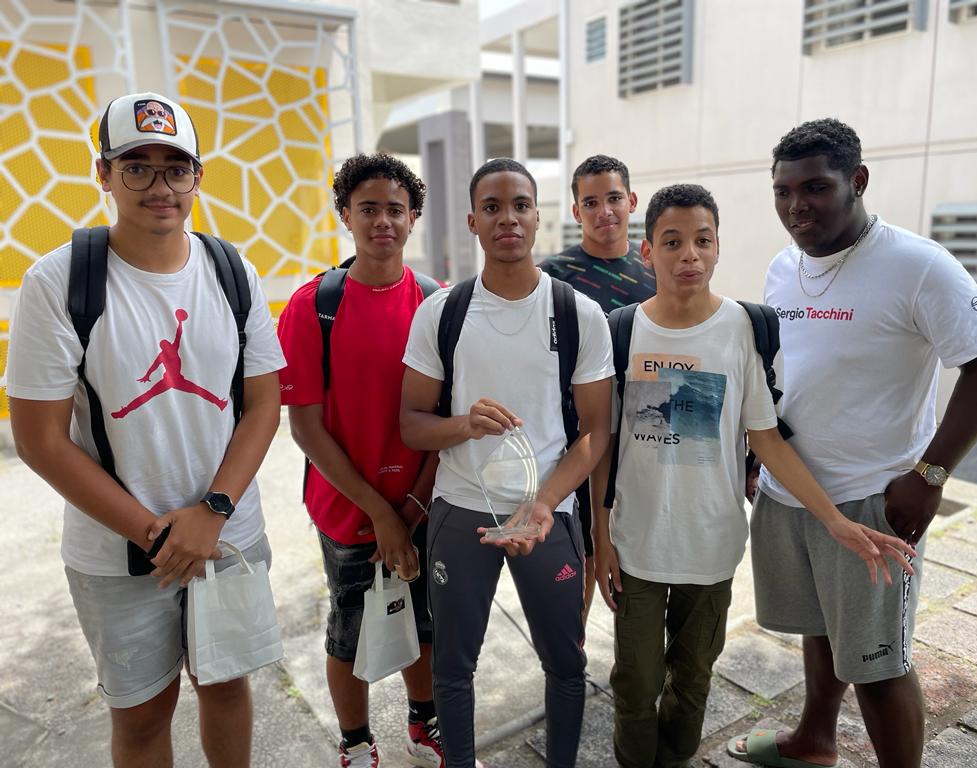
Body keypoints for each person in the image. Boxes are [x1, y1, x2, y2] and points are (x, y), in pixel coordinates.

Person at [590, 183, 917, 768]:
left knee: (693, 677)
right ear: (648, 252)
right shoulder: (622, 330)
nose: (689, 254)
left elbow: (766, 439)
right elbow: (603, 444)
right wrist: (600, 537)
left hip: (712, 546)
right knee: (634, 682)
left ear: (718, 247)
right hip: (637, 543)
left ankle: (677, 757)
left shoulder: (743, 327)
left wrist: (835, 520)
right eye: (672, 242)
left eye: (703, 240)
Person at [5, 91, 285, 767]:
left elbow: (263, 404)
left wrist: (213, 513)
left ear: (198, 177)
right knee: (141, 717)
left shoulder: (232, 271)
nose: (160, 187)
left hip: (228, 535)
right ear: (103, 174)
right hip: (118, 554)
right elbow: (40, 440)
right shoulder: (59, 282)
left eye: (175, 168)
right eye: (137, 167)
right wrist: (158, 537)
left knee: (226, 686)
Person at [728, 118, 977, 768]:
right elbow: (790, 376)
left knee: (880, 664)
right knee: (819, 626)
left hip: (873, 501)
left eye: (815, 187)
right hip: (793, 493)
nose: (796, 206)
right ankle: (815, 740)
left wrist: (930, 475)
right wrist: (756, 458)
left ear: (857, 181)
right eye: (783, 191)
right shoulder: (783, 267)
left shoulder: (918, 265)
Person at [400, 157, 614, 768]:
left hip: (547, 515)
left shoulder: (578, 314)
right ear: (473, 221)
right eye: (492, 208)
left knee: (565, 662)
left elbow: (596, 431)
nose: (507, 219)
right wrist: (463, 425)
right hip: (460, 511)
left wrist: (544, 503)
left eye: (520, 205)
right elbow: (411, 424)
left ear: (538, 216)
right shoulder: (442, 312)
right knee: (453, 666)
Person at [276, 153, 444, 768]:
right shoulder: (311, 307)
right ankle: (355, 742)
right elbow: (307, 427)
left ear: (414, 217)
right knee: (350, 626)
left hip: (424, 501)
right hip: (348, 508)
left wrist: (413, 507)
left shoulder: (436, 303)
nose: (382, 222)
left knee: (425, 621)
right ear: (345, 215)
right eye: (367, 208)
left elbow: (445, 418)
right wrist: (380, 513)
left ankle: (424, 724)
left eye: (395, 209)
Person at [539, 154, 657, 629]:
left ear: (631, 201)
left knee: (638, 546)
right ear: (576, 211)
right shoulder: (554, 275)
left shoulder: (656, 269)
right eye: (591, 202)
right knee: (581, 552)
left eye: (613, 198)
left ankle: (636, 650)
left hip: (643, 431)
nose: (604, 211)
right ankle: (574, 648)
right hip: (576, 436)